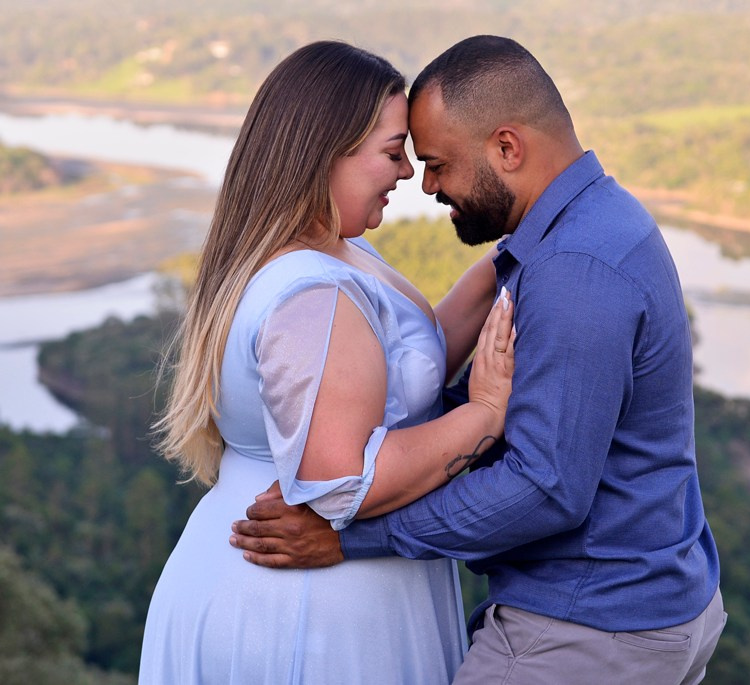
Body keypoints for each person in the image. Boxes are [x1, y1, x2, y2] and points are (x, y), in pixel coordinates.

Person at [231, 34, 726, 685]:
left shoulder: (574, 269)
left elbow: (544, 487)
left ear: (507, 148)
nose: (427, 183)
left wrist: (349, 537)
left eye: (438, 163)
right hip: (638, 609)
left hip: (585, 630)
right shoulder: (592, 223)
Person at [138, 40, 517, 684]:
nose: (407, 172)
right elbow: (341, 483)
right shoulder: (313, 293)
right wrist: (484, 413)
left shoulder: (325, 250)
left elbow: (408, 363)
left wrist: (514, 249)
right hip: (303, 618)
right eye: (392, 153)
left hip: (307, 595)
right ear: (327, 152)